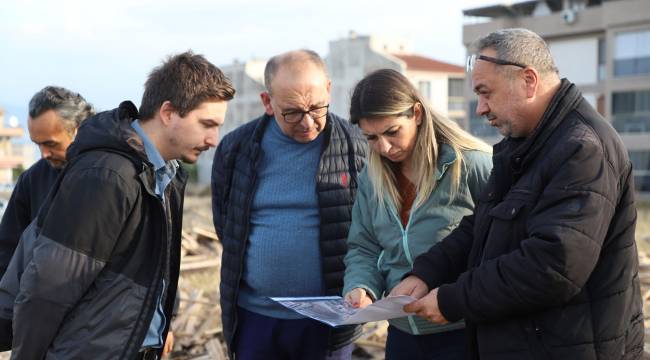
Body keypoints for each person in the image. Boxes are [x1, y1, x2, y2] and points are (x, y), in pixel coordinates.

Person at [390, 28, 643, 359]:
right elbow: (481, 226)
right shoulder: (525, 144)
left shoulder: (582, 149)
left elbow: (553, 265)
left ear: (528, 81)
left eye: (486, 92)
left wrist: (453, 300)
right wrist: (427, 272)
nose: (480, 108)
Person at [5, 51, 235, 359]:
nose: (214, 139)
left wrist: (162, 324)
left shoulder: (167, 174)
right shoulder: (107, 176)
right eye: (207, 123)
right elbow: (48, 289)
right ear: (167, 112)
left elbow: (156, 267)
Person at [211, 49, 367, 360]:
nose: (308, 122)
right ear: (267, 103)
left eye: (317, 107)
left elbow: (372, 230)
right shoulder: (236, 149)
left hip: (329, 320)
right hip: (255, 318)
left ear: (329, 90)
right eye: (292, 112)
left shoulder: (357, 146)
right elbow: (226, 225)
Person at [342, 69, 492, 360]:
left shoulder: (473, 164)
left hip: (464, 329)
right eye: (371, 138)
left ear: (418, 114)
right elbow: (363, 245)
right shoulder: (370, 179)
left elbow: (502, 238)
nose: (383, 147)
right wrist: (360, 286)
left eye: (392, 132)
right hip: (402, 334)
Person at [0, 86, 94, 279]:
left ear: (78, 130)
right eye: (37, 144)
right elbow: (7, 253)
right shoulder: (31, 180)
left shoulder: (113, 175)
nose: (43, 154)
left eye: (51, 144)